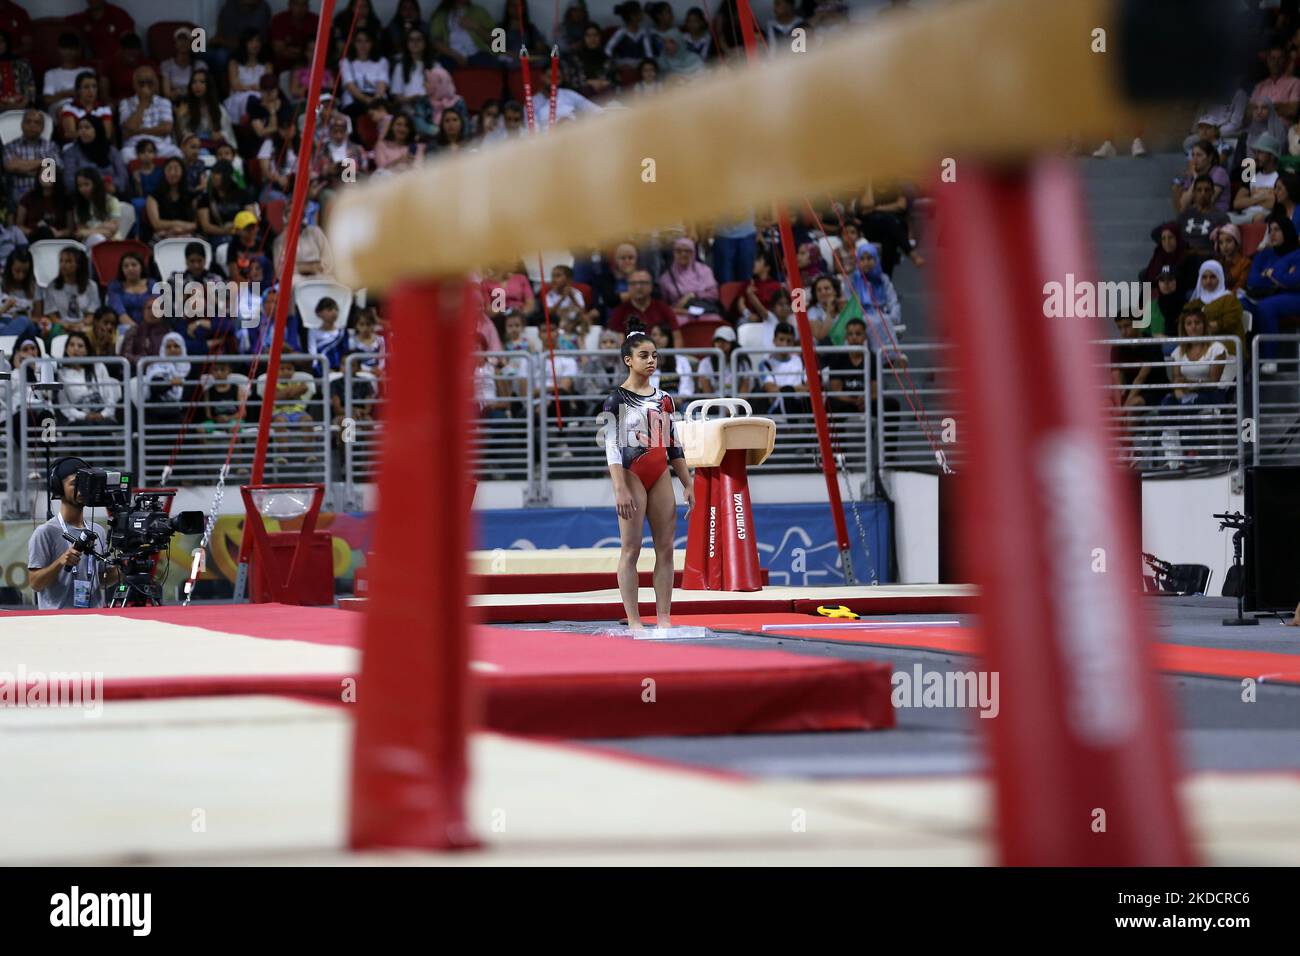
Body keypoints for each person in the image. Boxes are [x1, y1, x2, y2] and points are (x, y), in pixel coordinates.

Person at [602, 329, 694, 632]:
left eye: (654, 355)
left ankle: (664, 618)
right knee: (631, 549)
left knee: (666, 548)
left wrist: (688, 482)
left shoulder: (665, 399)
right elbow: (612, 447)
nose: (651, 360)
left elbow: (673, 442)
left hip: (660, 474)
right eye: (644, 355)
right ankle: (634, 620)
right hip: (631, 476)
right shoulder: (615, 400)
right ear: (628, 360)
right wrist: (619, 489)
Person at [27, 457, 122, 609]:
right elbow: (35, 583)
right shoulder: (45, 532)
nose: (82, 489)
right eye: (74, 483)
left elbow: (102, 580)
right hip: (57, 624)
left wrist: (124, 569)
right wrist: (61, 561)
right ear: (58, 488)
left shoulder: (97, 531)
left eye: (85, 483)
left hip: (95, 620)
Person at [3, 109, 61, 209]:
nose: (32, 125)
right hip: (20, 192)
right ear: (22, 124)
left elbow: (52, 173)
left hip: (45, 192)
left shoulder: (51, 146)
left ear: (42, 127)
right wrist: (43, 162)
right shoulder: (11, 146)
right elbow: (10, 166)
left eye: (37, 122)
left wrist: (21, 166)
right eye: (28, 121)